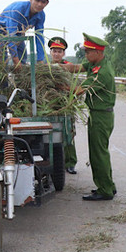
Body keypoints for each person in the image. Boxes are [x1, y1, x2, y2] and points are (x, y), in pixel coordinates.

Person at [60, 33, 116, 201]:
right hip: (98, 115)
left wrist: (59, 85)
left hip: (101, 117)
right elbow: (76, 68)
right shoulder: (96, 64)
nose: (86, 55)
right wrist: (54, 68)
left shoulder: (102, 72)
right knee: (100, 152)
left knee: (98, 154)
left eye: (88, 52)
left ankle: (105, 190)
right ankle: (108, 186)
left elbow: (78, 90)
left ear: (98, 52)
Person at [0, 0, 51, 66]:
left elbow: (39, 36)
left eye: (43, 2)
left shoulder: (41, 16)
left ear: (47, 3)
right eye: (37, 0)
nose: (39, 4)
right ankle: (3, 75)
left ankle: (21, 75)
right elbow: (11, 35)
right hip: (2, 28)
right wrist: (15, 59)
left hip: (19, 32)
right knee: (2, 56)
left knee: (22, 55)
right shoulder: (18, 10)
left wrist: (40, 59)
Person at [48, 36, 77, 174]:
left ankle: (70, 163)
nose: (56, 53)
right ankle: (52, 161)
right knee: (50, 134)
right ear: (50, 52)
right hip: (50, 105)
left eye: (59, 51)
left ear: (64, 53)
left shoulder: (69, 67)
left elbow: (72, 86)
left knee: (67, 133)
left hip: (65, 103)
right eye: (54, 51)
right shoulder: (45, 67)